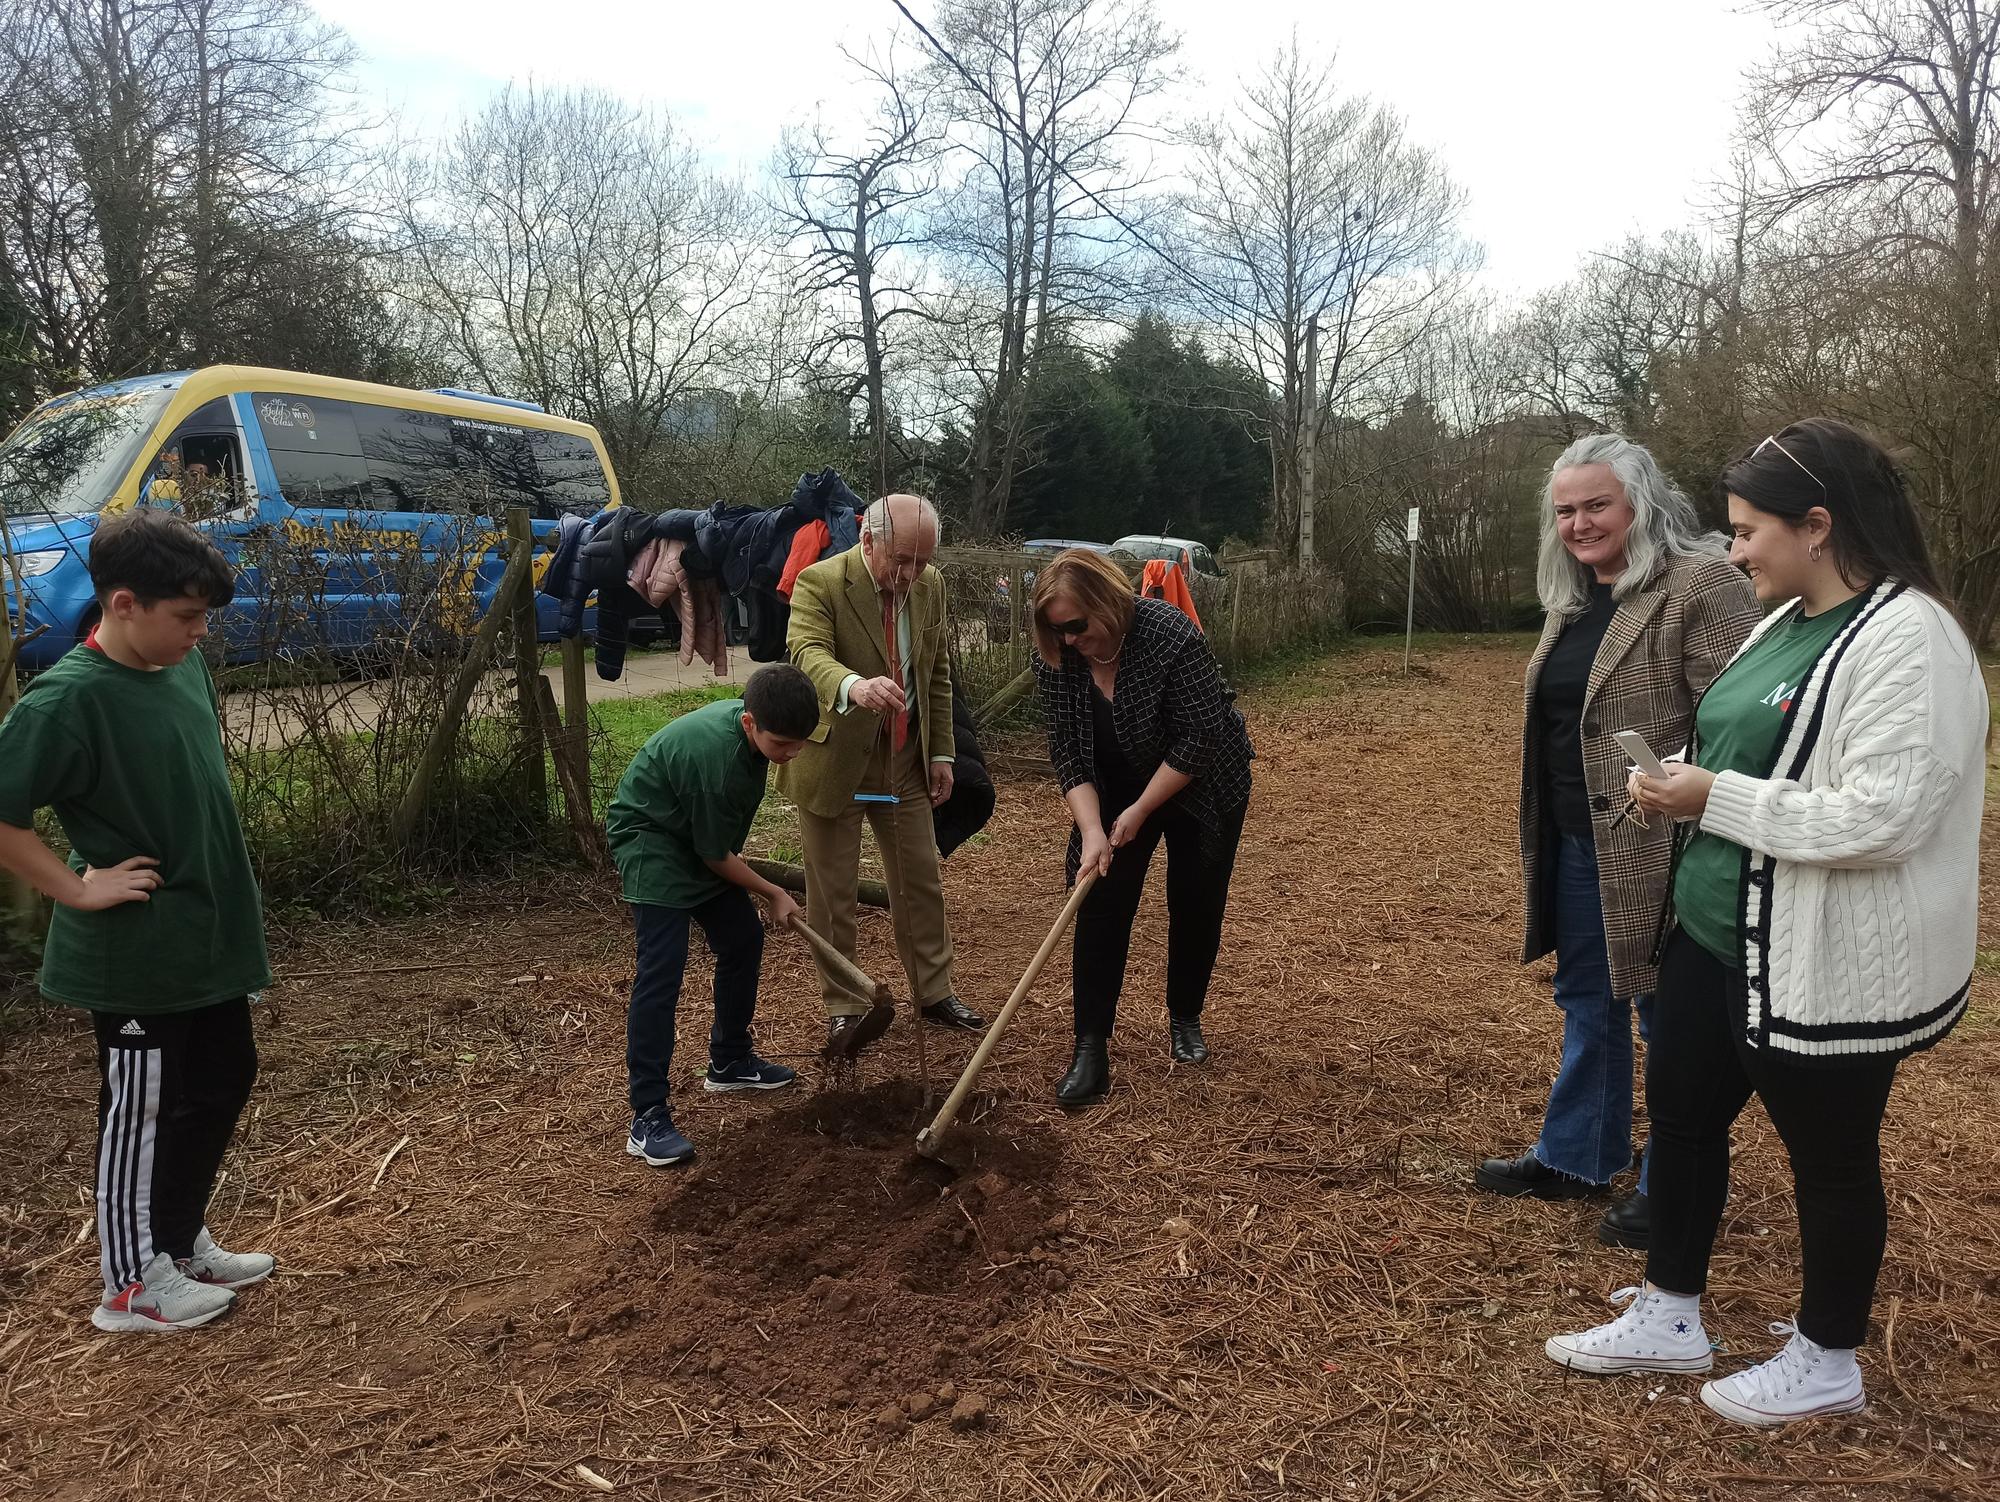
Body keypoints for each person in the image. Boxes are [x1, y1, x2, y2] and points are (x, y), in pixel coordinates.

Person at [1544, 419, 1987, 1429]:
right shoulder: (1778, 617)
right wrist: (1681, 785)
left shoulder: (1906, 638)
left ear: (1817, 526)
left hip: (1819, 956)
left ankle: (1826, 1357)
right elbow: (1745, 743)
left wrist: (1713, 796)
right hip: (1715, 932)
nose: (1732, 548)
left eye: (1747, 531)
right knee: (1686, 1119)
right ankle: (1668, 1309)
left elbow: (1886, 814)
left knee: (1829, 1160)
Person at [1479, 435, 1760, 1252]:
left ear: (1643, 503)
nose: (1578, 523)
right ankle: (1575, 1157)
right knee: (1587, 1000)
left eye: (1596, 504)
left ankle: (1675, 1179)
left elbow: (1740, 719)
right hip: (1577, 839)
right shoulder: (1572, 596)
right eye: (1565, 510)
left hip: (1667, 843)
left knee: (1665, 1015)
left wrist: (1681, 781)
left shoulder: (1702, 584)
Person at [0, 508, 273, 1332]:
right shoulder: (64, 704)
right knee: (143, 1111)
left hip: (206, 939)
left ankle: (176, 1243)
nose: (199, 635)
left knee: (221, 1081)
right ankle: (128, 1285)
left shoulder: (180, 669)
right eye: (185, 618)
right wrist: (76, 889)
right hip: (134, 954)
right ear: (123, 605)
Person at [1029, 549, 1253, 1107]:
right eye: (1058, 631)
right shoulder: (1060, 655)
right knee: (1100, 903)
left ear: (1106, 602)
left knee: (1195, 900)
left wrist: (1138, 811)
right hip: (1113, 782)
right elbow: (1067, 750)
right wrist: (1093, 829)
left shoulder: (1168, 634)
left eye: (1077, 625)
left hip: (1201, 782)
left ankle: (1184, 1018)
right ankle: (1090, 1047)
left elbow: (1200, 736)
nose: (1070, 639)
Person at [779, 493, 986, 1058]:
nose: (912, 573)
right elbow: (805, 652)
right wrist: (855, 687)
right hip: (834, 757)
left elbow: (937, 671)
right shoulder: (819, 582)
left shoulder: (929, 584)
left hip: (906, 759)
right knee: (832, 891)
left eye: (922, 561)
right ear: (867, 540)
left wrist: (942, 751)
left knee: (920, 878)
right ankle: (846, 1007)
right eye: (902, 560)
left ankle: (934, 991)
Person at [607, 664, 820, 1167]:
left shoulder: (750, 737)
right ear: (750, 724)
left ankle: (728, 1060)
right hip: (651, 838)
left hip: (692, 836)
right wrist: (773, 892)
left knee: (741, 938)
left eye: (800, 743)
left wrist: (759, 893)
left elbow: (716, 844)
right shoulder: (719, 764)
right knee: (662, 969)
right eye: (782, 743)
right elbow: (715, 856)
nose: (791, 754)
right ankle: (648, 1116)